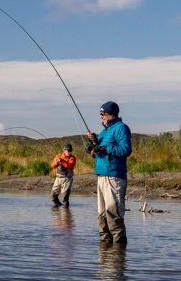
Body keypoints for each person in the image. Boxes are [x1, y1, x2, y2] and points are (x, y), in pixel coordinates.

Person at [87, 101, 132, 245]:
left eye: (102, 114)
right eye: (100, 114)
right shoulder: (103, 132)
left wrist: (106, 149)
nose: (101, 117)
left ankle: (118, 254)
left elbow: (126, 150)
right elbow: (98, 153)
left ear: (110, 114)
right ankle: (105, 252)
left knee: (113, 213)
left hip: (114, 177)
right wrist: (94, 147)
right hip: (101, 176)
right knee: (102, 215)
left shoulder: (121, 128)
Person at [50, 143, 76, 207]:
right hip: (58, 178)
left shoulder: (72, 157)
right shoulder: (58, 156)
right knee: (53, 195)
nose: (69, 152)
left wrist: (62, 162)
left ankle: (66, 211)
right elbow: (52, 166)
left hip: (67, 179)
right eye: (68, 150)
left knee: (65, 196)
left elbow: (70, 166)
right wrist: (57, 162)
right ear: (64, 150)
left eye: (70, 151)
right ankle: (57, 207)